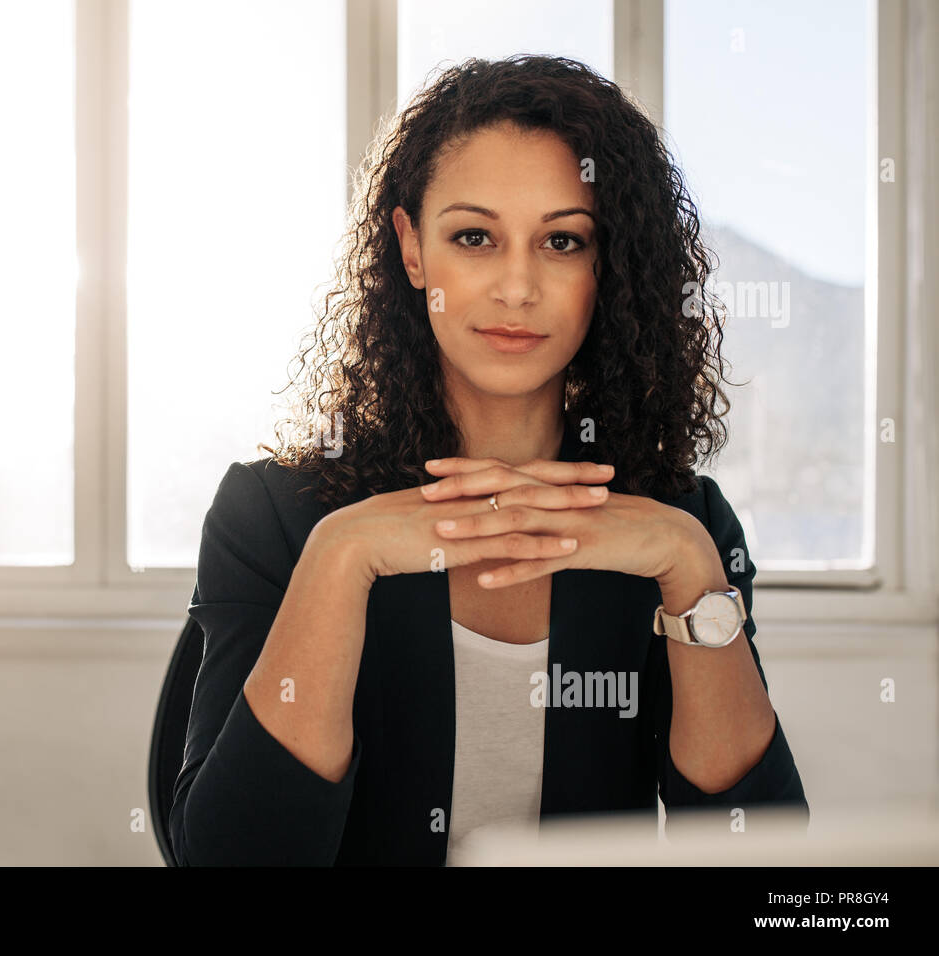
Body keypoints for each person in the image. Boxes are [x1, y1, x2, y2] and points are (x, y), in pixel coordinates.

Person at [170, 54, 809, 866]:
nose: (516, 286)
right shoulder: (273, 515)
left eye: (562, 241)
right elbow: (232, 859)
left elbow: (763, 864)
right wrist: (341, 557)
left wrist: (690, 567)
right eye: (474, 237)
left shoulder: (684, 526)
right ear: (411, 250)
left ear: (605, 268)